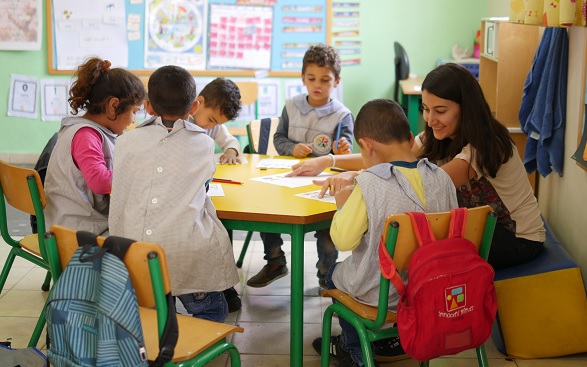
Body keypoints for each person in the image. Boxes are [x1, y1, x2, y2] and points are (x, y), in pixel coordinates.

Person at [290, 63, 545, 270]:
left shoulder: (487, 144)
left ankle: (393, 313)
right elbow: (388, 153)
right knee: (405, 240)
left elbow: (427, 183)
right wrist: (328, 161)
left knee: (409, 245)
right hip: (476, 226)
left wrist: (358, 178)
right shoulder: (441, 135)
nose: (430, 119)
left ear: (466, 108)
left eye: (441, 110)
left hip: (515, 239)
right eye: (425, 109)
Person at [311, 99, 458, 367]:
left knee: (334, 273)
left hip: (382, 295)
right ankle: (383, 341)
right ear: (412, 139)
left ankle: (355, 350)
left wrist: (342, 205)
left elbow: (343, 240)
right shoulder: (442, 178)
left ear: (367, 146)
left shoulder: (369, 184)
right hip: (431, 289)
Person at [108, 65, 240, 322]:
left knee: (156, 300)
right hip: (186, 253)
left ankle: (160, 323)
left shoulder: (124, 142)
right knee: (215, 309)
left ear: (147, 106)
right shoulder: (204, 143)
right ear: (193, 107)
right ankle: (199, 349)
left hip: (135, 252)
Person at [246, 44, 355, 289]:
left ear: (336, 81)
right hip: (289, 178)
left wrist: (342, 150)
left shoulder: (342, 114)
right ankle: (275, 262)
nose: (318, 85)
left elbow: (345, 150)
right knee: (265, 210)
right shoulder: (292, 105)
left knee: (327, 230)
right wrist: (291, 148)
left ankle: (326, 276)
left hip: (322, 184)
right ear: (303, 78)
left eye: (325, 80)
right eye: (312, 78)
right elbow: (279, 139)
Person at [44, 57, 146, 235]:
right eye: (134, 112)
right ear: (113, 106)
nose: (134, 120)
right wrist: (137, 176)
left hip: (74, 224)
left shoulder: (92, 131)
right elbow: (99, 182)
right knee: (146, 234)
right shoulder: (86, 135)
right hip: (74, 232)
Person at [193, 78, 244, 164]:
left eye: (218, 123)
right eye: (211, 119)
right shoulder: (181, 120)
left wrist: (230, 152)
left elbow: (231, 141)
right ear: (200, 102)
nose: (212, 126)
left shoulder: (215, 127)